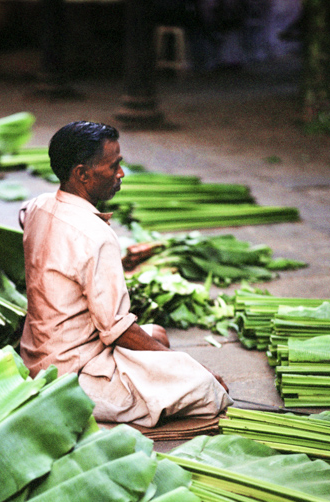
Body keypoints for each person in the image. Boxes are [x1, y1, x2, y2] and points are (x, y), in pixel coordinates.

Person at [18, 120, 233, 427]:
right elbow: (117, 330)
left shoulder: (39, 206)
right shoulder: (96, 236)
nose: (120, 174)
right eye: (114, 166)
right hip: (73, 374)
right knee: (207, 390)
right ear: (82, 173)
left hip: (36, 355)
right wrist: (192, 369)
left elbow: (23, 217)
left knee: (156, 334)